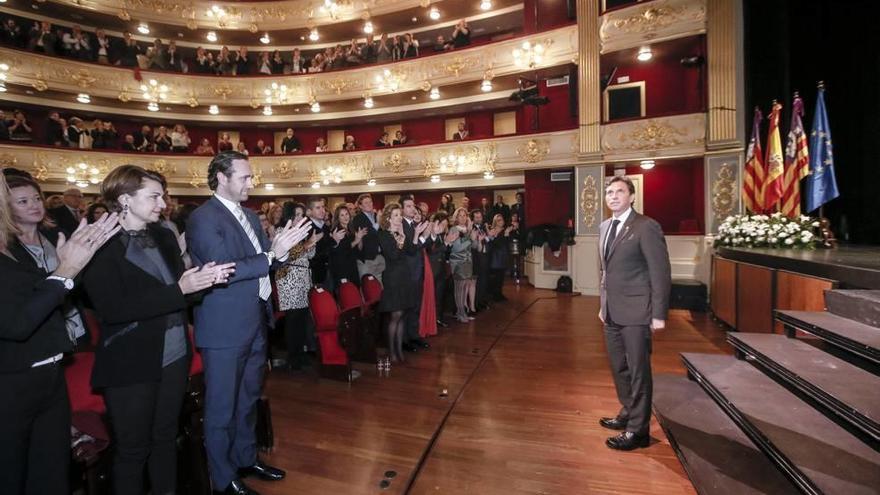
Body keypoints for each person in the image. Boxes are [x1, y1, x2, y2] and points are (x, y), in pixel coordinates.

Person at [82, 165, 234, 495]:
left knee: (166, 438)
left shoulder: (163, 235)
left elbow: (179, 292)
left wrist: (203, 280)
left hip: (174, 352)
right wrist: (181, 289)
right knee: (133, 450)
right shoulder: (97, 243)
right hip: (130, 360)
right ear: (124, 199)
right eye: (153, 197)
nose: (162, 204)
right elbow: (112, 310)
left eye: (162, 196)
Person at [185, 151, 311, 494]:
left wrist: (279, 251)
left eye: (251, 176)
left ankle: (245, 457)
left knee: (249, 397)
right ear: (221, 178)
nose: (251, 183)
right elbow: (223, 268)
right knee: (222, 406)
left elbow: (262, 262)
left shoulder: (251, 218)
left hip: (255, 318)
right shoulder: (202, 218)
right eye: (244, 177)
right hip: (224, 326)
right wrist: (273, 254)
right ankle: (223, 478)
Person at [0, 171, 120, 495]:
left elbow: (60, 292)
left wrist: (73, 268)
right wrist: (65, 272)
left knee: (51, 473)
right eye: (21, 200)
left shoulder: (47, 238)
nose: (33, 205)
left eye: (36, 198)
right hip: (13, 379)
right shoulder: (10, 248)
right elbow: (17, 321)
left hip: (50, 369)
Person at [598, 176, 671, 451]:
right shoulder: (605, 226)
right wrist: (602, 304)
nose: (613, 196)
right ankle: (629, 412)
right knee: (619, 368)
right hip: (612, 311)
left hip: (638, 311)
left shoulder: (646, 226)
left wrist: (659, 313)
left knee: (639, 371)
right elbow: (605, 271)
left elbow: (660, 271)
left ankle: (638, 431)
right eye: (609, 192)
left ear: (632, 196)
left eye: (619, 191)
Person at [274, 202, 320, 372]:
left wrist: (312, 242)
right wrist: (307, 245)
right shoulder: (282, 232)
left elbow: (309, 255)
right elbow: (287, 255)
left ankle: (300, 354)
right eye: (298, 215)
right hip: (289, 278)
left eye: (302, 214)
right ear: (289, 216)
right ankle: (293, 358)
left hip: (302, 278)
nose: (301, 218)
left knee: (302, 319)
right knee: (293, 320)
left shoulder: (299, 233)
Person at [376, 203, 417, 362]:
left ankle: (399, 350)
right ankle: (391, 351)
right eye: (396, 215)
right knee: (395, 314)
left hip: (404, 274)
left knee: (403, 313)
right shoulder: (384, 235)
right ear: (388, 218)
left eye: (400, 215)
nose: (400, 218)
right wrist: (400, 239)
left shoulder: (401, 231)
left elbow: (411, 251)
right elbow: (393, 255)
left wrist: (406, 236)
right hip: (392, 276)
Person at [400, 195, 431, 351]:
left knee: (416, 306)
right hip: (408, 272)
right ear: (402, 209)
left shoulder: (413, 225)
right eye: (409, 206)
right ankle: (405, 340)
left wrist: (428, 236)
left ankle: (414, 336)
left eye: (413, 206)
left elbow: (422, 246)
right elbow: (410, 250)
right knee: (408, 306)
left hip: (417, 270)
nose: (413, 209)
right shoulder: (402, 226)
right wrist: (421, 237)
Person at [448, 207, 476, 322]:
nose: (463, 217)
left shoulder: (467, 229)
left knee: (465, 289)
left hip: (468, 262)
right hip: (458, 262)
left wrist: (474, 238)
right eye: (460, 215)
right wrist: (470, 239)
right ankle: (460, 314)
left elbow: (473, 247)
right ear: (456, 217)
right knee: (459, 289)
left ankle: (463, 312)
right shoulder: (454, 229)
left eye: (465, 215)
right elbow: (457, 248)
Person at [328, 203, 367, 288]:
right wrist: (356, 241)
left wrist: (359, 239)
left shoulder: (351, 229)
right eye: (342, 215)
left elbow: (358, 250)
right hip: (341, 269)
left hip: (352, 266)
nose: (346, 217)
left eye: (346, 214)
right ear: (338, 218)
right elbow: (343, 250)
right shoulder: (337, 230)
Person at [350, 193, 385, 284]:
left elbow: (381, 233)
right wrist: (377, 223)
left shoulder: (377, 215)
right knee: (367, 286)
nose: (369, 204)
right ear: (360, 206)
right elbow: (367, 235)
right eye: (366, 203)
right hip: (367, 258)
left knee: (380, 285)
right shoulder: (358, 218)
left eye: (370, 202)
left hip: (379, 256)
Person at [306, 197, 333, 288]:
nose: (322, 210)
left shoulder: (325, 226)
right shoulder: (307, 228)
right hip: (315, 274)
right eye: (318, 208)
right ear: (309, 211)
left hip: (329, 271)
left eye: (323, 207)